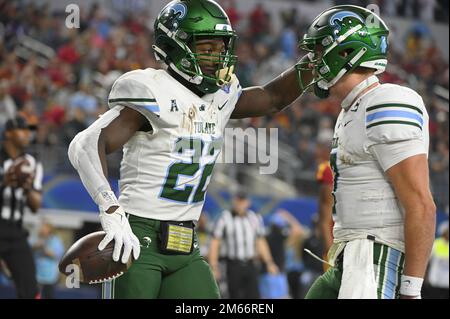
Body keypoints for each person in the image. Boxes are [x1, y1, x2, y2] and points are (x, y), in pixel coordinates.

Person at [68, 0, 311, 299]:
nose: (216, 56)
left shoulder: (221, 95)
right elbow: (84, 144)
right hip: (138, 237)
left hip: (187, 243)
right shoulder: (153, 89)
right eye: (206, 48)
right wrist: (110, 209)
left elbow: (272, 98)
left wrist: (311, 67)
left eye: (220, 48)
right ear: (174, 47)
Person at [297, 5, 436, 299]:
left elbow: (421, 204)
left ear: (346, 53)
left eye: (320, 51)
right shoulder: (352, 108)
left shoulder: (386, 102)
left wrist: (411, 289)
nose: (313, 60)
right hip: (349, 254)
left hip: (375, 254)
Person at [0, 116, 43, 298]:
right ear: (8, 133)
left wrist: (26, 188)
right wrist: (4, 183)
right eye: (22, 130)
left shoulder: (32, 163)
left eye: (29, 130)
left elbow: (36, 205)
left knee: (31, 290)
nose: (27, 134)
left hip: (15, 230)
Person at [208, 191, 278, 299]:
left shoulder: (254, 218)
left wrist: (269, 262)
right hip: (232, 265)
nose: (240, 204)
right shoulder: (224, 218)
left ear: (248, 202)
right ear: (234, 201)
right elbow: (215, 242)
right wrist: (213, 266)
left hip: (251, 264)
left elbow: (260, 241)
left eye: (242, 201)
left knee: (254, 296)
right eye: (238, 200)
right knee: (233, 296)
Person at [31, 220, 65, 299]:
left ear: (50, 230)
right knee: (35, 295)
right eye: (42, 227)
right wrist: (36, 247)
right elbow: (28, 249)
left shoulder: (55, 241)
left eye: (45, 228)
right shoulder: (35, 238)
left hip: (50, 276)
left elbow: (58, 255)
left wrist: (44, 249)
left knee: (48, 295)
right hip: (37, 274)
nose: (42, 229)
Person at [423, 221, 449, 299]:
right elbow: (427, 262)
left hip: (447, 283)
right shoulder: (436, 244)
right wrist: (425, 276)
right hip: (434, 281)